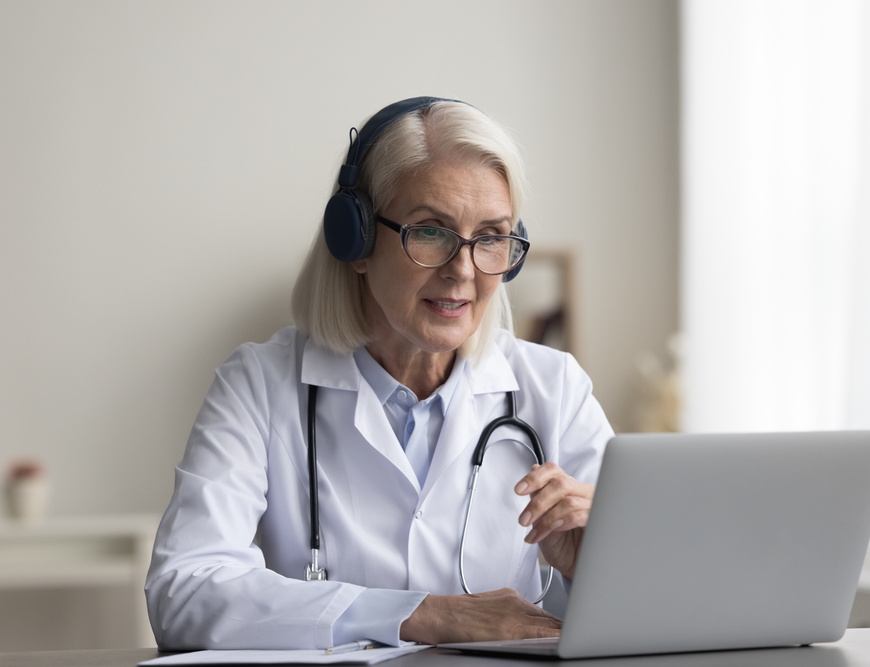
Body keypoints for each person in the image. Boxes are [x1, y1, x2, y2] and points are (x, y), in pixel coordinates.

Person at [145, 97, 614, 650]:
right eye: (431, 232)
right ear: (357, 241)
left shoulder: (555, 387)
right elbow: (185, 590)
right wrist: (422, 615)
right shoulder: (258, 384)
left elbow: (656, 609)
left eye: (490, 237)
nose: (463, 271)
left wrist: (597, 570)